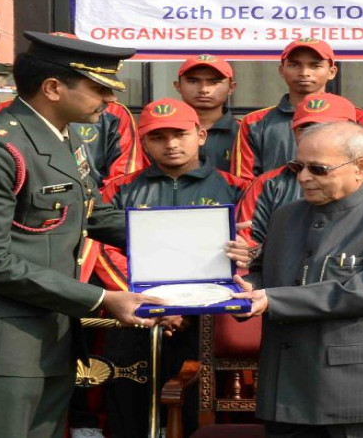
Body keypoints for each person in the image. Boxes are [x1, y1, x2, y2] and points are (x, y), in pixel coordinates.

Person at [0, 32, 163, 438]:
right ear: (52, 88)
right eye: (99, 88)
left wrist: (194, 243)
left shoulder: (60, 136)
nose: (109, 100)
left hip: (45, 340)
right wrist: (101, 299)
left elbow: (91, 212)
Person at [226, 122, 363, 438]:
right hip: (287, 387)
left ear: (360, 168)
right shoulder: (285, 216)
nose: (303, 177)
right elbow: (267, 273)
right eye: (297, 167)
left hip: (359, 392)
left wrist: (272, 299)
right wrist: (247, 290)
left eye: (318, 169)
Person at [94, 97, 248, 438]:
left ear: (201, 135)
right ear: (144, 142)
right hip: (134, 315)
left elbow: (245, 252)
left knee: (197, 409)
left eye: (180, 134)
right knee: (127, 406)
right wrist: (152, 304)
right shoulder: (119, 188)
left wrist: (190, 306)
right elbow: (102, 251)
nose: (171, 144)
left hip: (206, 319)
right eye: (158, 137)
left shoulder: (236, 188)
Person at [237, 93, 363, 245]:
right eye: (305, 128)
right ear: (294, 133)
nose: (315, 134)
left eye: (327, 127)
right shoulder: (268, 184)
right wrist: (252, 255)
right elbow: (247, 246)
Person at [232, 38, 363, 178]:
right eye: (294, 65)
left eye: (315, 66)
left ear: (332, 72)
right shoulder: (255, 121)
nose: (304, 73)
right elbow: (245, 182)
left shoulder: (358, 117)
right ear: (281, 70)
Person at [174, 54, 238, 172]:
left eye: (214, 82)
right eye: (193, 81)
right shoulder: (160, 132)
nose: (204, 90)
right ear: (178, 86)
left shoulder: (246, 133)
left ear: (231, 88)